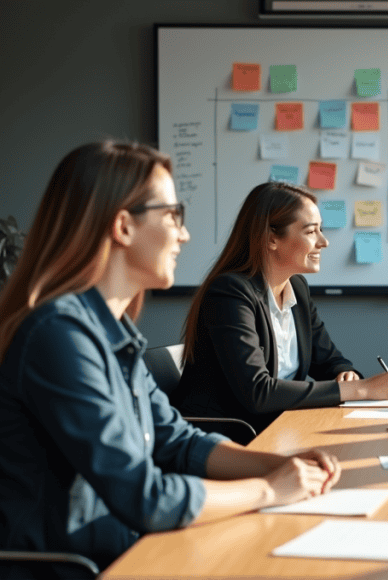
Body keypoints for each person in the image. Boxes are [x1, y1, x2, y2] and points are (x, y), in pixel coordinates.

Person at [0, 142, 342, 578]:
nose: (184, 234)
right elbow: (144, 497)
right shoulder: (58, 336)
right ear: (123, 226)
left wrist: (280, 465)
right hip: (84, 566)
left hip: (126, 549)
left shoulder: (110, 329)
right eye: (172, 216)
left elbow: (177, 440)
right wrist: (269, 488)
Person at [174, 182, 388, 435]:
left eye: (321, 230)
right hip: (233, 436)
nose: (324, 241)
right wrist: (361, 389)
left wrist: (345, 373)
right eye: (310, 232)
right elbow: (257, 392)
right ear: (272, 239)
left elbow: (329, 360)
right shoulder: (230, 292)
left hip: (279, 427)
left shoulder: (297, 287)